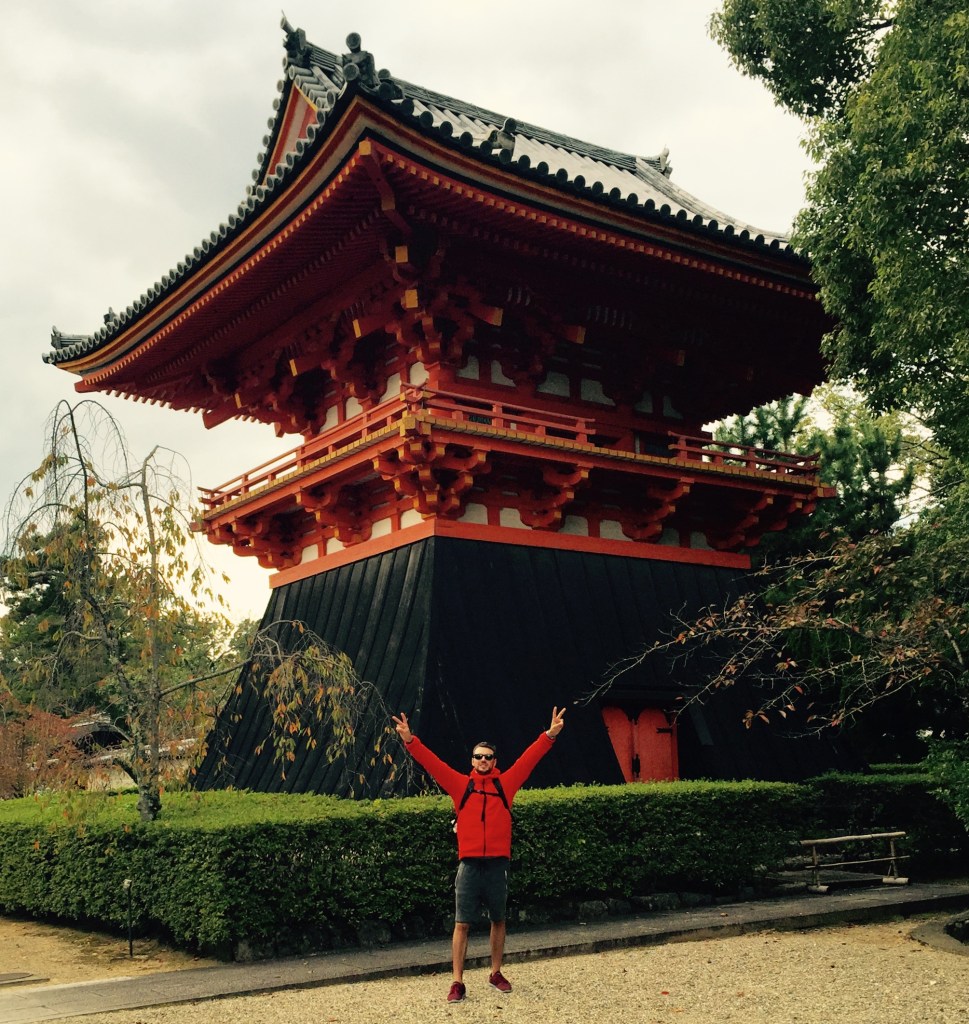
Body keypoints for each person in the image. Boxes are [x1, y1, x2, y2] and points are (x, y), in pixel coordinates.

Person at [392, 707, 566, 1003]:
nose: (483, 760)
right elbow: (432, 763)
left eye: (488, 757)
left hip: (498, 863)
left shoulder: (505, 784)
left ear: (494, 761)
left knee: (499, 919)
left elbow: (529, 760)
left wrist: (549, 735)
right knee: (462, 923)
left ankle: (495, 972)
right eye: (478, 756)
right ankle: (457, 981)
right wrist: (410, 740)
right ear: (472, 761)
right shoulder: (460, 785)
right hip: (469, 864)